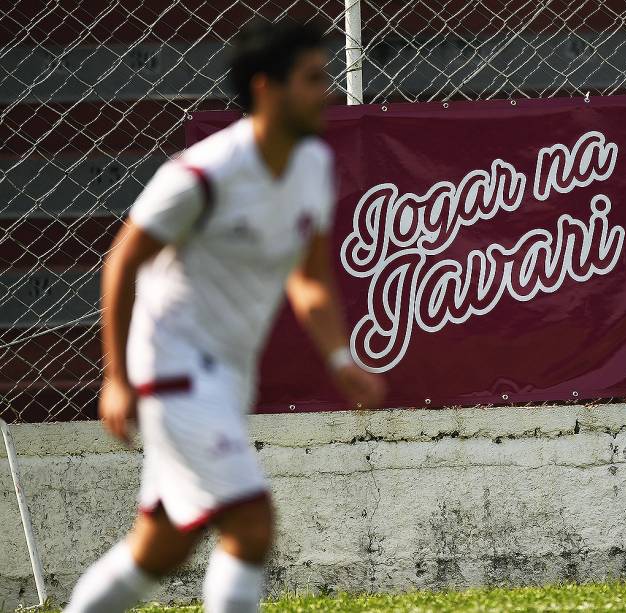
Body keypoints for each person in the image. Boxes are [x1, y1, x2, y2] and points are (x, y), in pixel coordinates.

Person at [64, 19, 386, 613]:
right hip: (174, 372)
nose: (329, 92)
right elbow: (122, 262)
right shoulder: (203, 174)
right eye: (313, 79)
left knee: (159, 548)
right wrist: (115, 377)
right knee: (251, 525)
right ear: (266, 88)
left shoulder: (312, 166)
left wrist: (340, 358)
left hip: (225, 380)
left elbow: (309, 278)